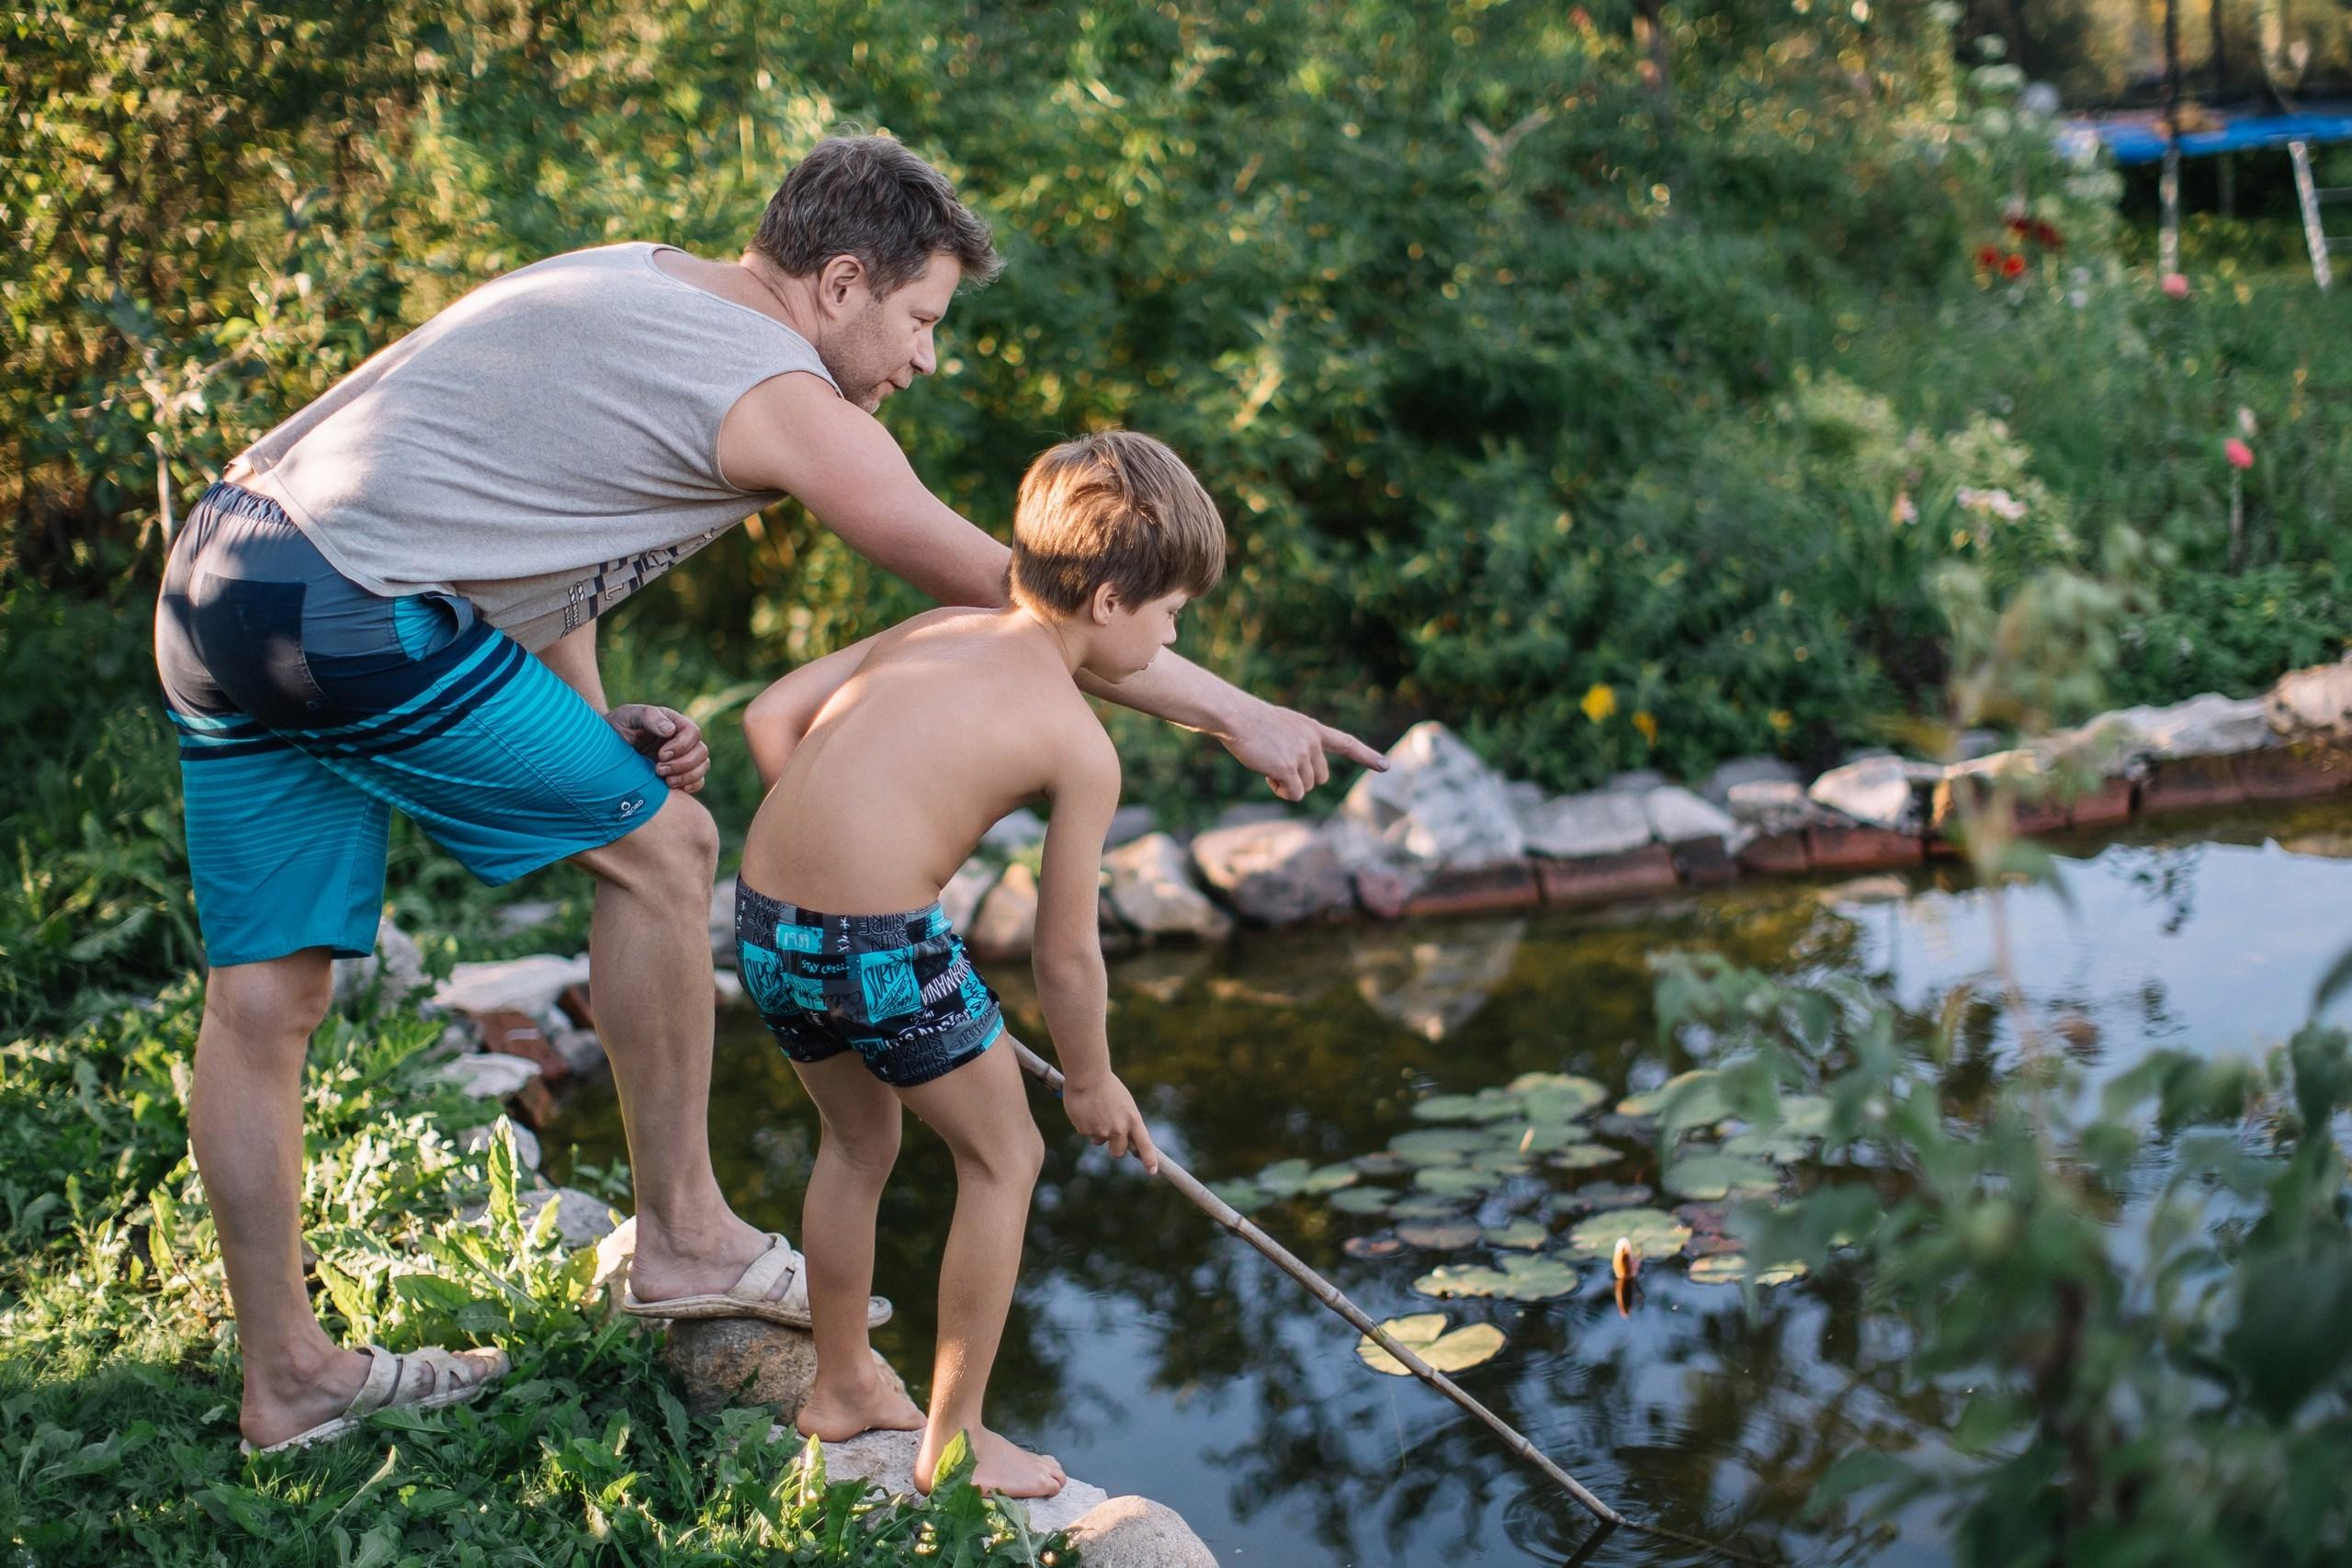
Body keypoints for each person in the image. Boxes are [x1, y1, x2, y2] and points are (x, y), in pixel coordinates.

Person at [154, 132, 1381, 1454]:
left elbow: (546, 528)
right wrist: (1238, 710)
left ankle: (286, 1375)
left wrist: (583, 721)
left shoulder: (636, 279)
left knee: (267, 995)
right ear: (841, 283)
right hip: (343, 603)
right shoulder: (781, 388)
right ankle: (683, 1236)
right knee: (670, 843)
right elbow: (1031, 602)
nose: (924, 358)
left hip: (225, 569)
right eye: (920, 319)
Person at [726, 430, 1214, 1498]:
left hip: (763, 923)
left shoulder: (936, 626)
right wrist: (1089, 1080)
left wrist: (835, 864)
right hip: (880, 951)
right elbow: (1064, 951)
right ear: (1108, 602)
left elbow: (772, 717)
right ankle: (953, 1443)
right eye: (1173, 611)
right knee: (1006, 1160)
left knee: (855, 1144)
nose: (1175, 633)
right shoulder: (1080, 742)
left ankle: (844, 1383)